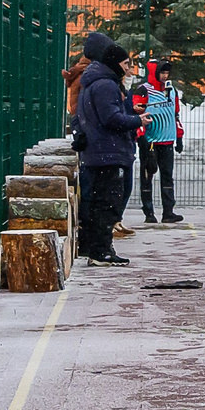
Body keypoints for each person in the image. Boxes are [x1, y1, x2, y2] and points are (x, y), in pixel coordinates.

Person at [73, 34, 142, 265]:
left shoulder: (91, 83)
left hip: (98, 152)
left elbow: (82, 118)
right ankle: (100, 250)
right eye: (125, 64)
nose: (127, 69)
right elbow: (112, 118)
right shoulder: (106, 85)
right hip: (108, 153)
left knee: (99, 201)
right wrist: (137, 120)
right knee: (108, 202)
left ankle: (97, 247)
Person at [135, 58, 183, 225]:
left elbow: (175, 114)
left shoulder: (171, 91)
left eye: (167, 73)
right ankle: (149, 212)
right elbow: (137, 115)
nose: (164, 76)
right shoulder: (143, 90)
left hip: (168, 141)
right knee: (148, 176)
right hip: (150, 142)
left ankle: (168, 211)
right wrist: (141, 137)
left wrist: (179, 136)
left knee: (167, 177)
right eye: (162, 72)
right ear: (154, 72)